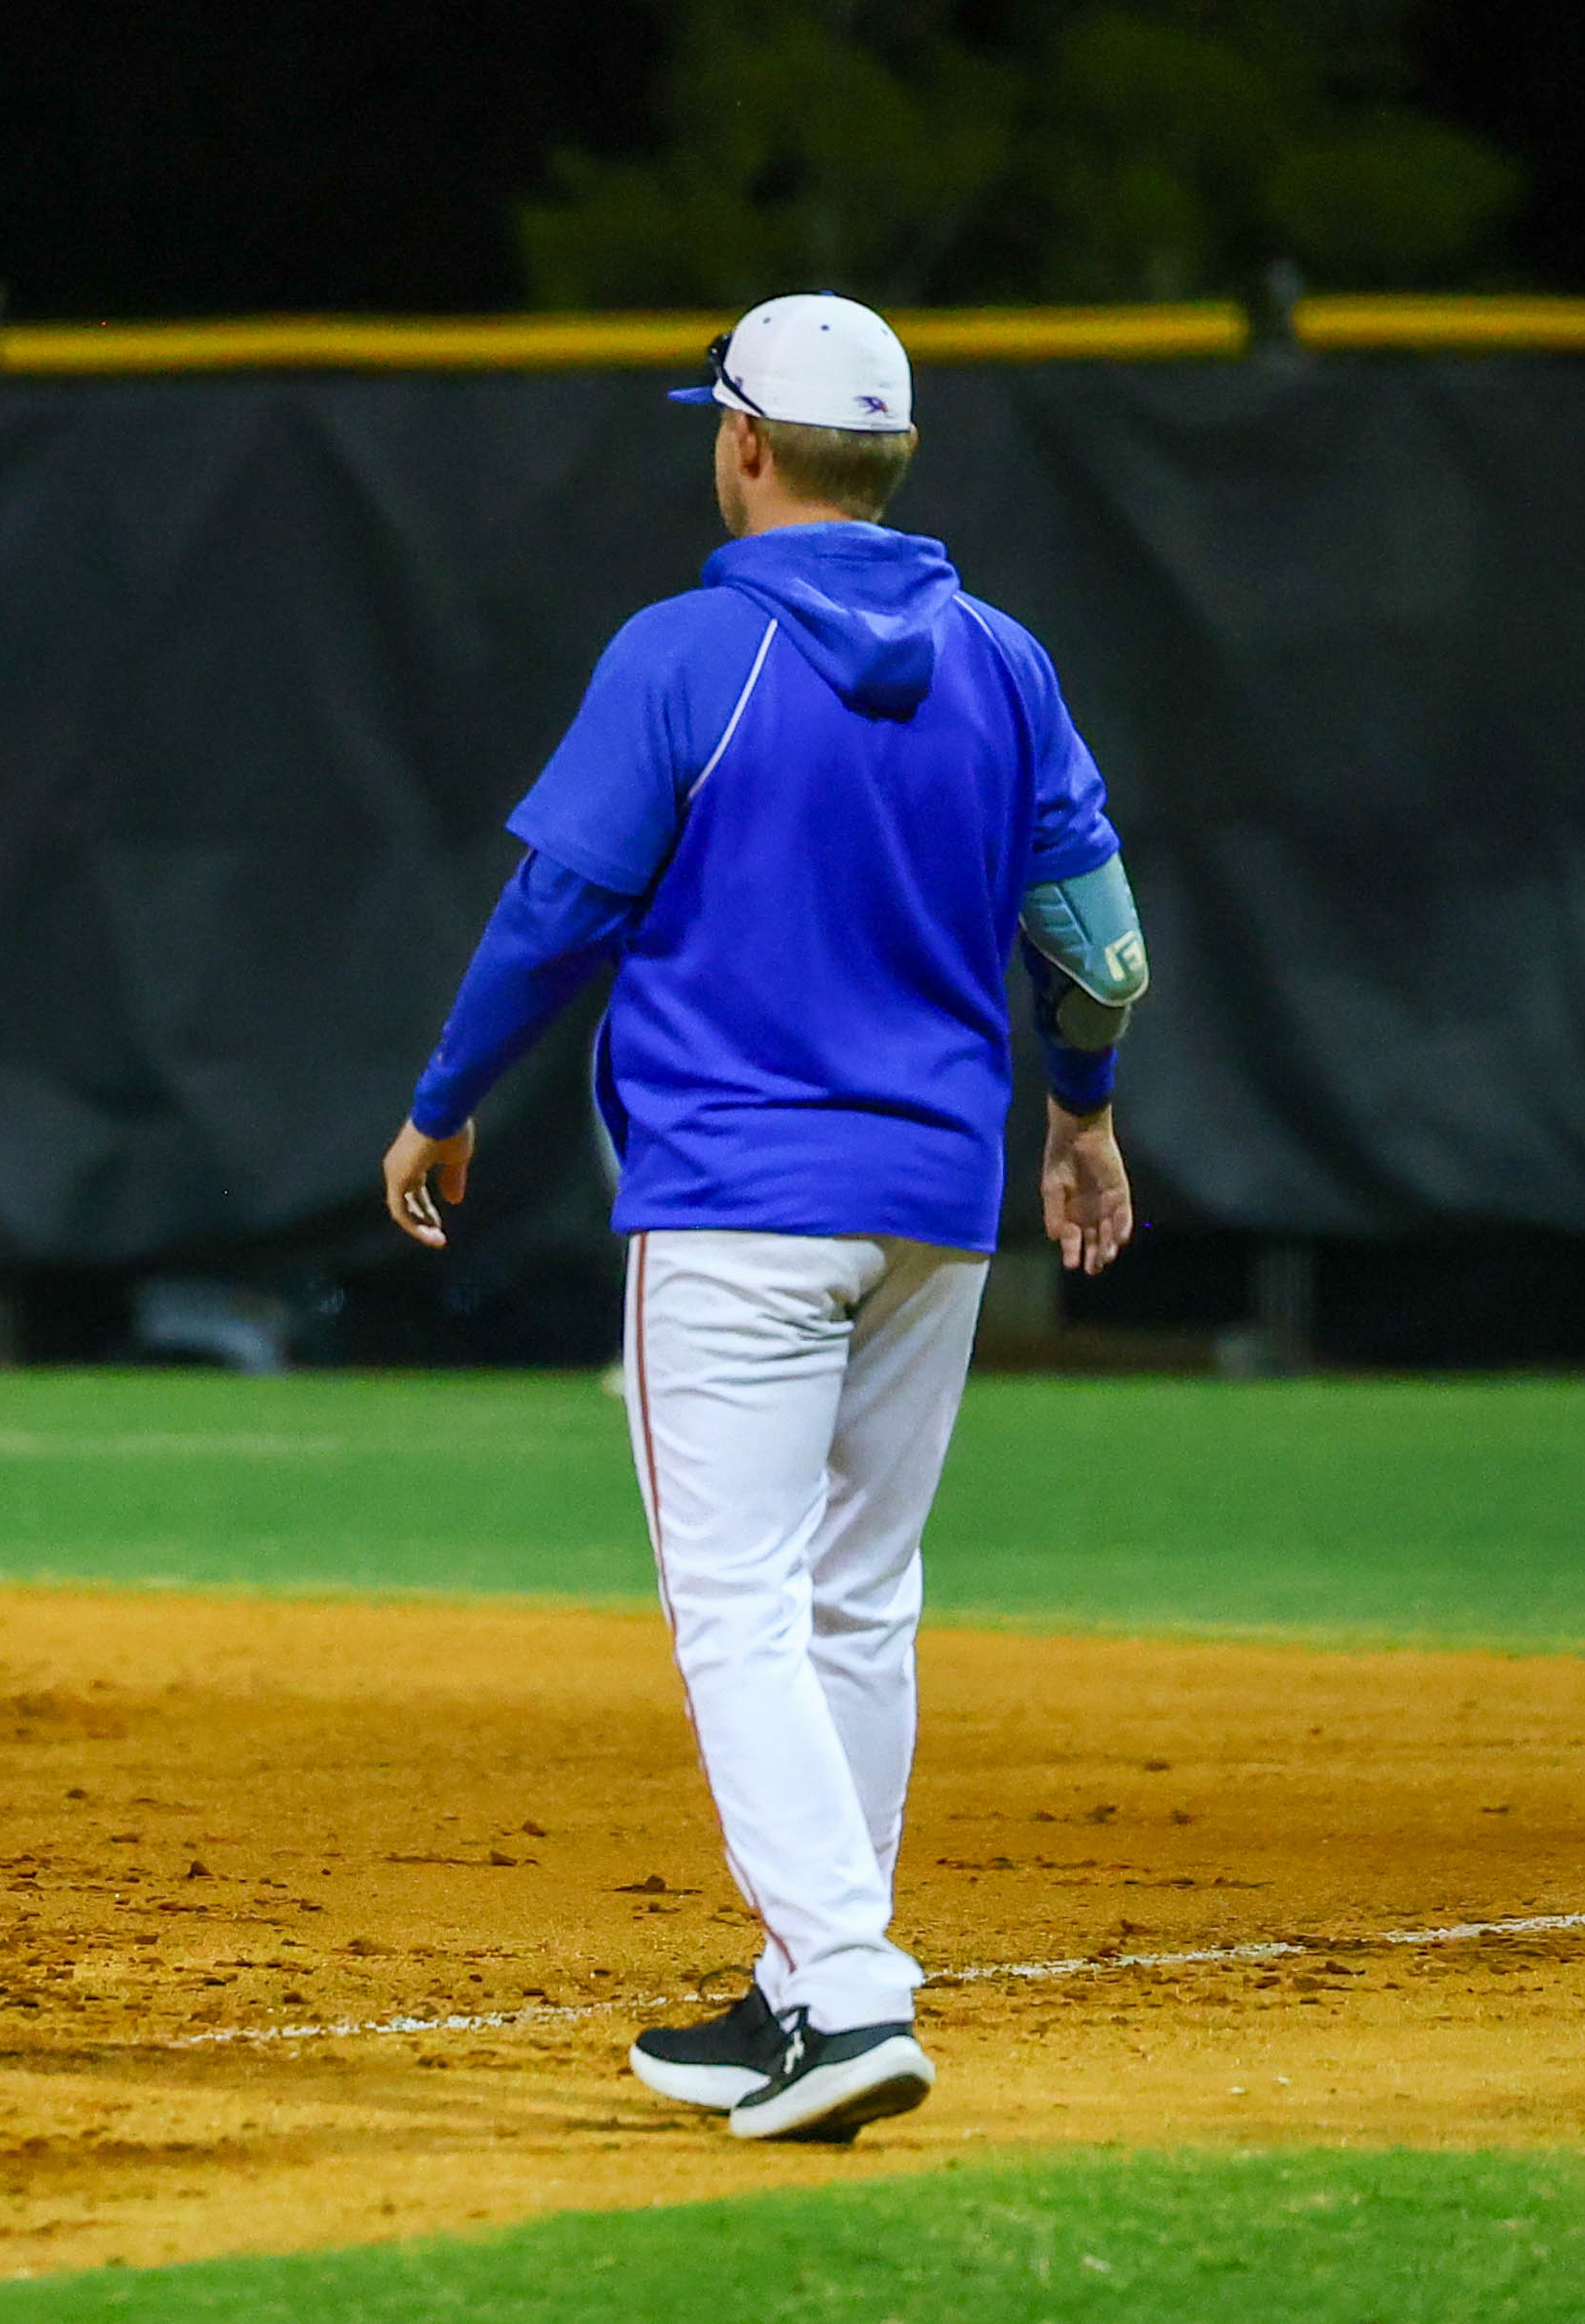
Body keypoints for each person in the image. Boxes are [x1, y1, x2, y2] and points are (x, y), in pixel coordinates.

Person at [380, 294, 1148, 2142]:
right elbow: (1100, 944)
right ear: (891, 459)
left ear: (740, 442)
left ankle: (850, 1988)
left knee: (733, 1607)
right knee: (857, 1603)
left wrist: (444, 1099)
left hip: (734, 1198)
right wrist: (1083, 1110)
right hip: (937, 1204)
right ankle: (803, 1985)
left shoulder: (687, 649)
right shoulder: (1002, 660)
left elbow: (556, 912)